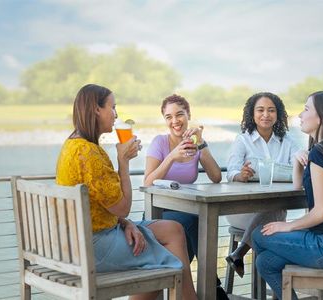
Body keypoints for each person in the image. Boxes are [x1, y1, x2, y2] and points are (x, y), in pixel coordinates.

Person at [56, 84, 197, 300]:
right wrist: (123, 161)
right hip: (92, 247)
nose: (116, 115)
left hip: (83, 237)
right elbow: (123, 206)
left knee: (174, 230)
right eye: (112, 107)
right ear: (96, 109)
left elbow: (104, 206)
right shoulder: (89, 154)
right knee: (167, 259)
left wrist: (125, 223)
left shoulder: (74, 146)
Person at [252, 91, 323, 300]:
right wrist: (297, 160)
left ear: (322, 117)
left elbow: (322, 213)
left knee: (259, 234)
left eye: (306, 109)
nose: (300, 115)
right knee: (265, 262)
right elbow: (298, 186)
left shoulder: (321, 153)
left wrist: (287, 225)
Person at [144, 94, 227, 299]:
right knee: (196, 219)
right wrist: (171, 157)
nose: (175, 121)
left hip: (187, 212)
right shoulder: (160, 143)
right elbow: (147, 182)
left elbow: (216, 176)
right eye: (168, 117)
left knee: (197, 219)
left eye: (179, 115)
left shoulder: (195, 143)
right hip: (160, 213)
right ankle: (212, 286)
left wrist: (201, 143)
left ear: (188, 115)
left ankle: (188, 285)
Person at [225, 92, 299, 278]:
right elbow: (231, 172)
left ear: (278, 114)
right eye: (261, 110)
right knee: (277, 212)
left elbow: (300, 165)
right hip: (243, 209)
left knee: (275, 210)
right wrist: (240, 175)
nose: (266, 114)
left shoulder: (287, 141)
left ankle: (239, 253)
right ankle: (244, 255)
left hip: (271, 208)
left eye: (271, 110)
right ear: (252, 114)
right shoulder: (242, 140)